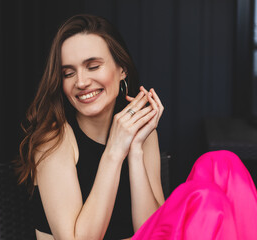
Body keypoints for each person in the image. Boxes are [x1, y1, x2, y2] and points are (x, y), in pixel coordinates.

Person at [16, 14, 257, 240]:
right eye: (68, 73)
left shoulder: (138, 128)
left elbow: (151, 228)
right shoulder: (55, 140)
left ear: (122, 70)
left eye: (93, 66)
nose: (81, 82)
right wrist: (114, 150)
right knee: (207, 201)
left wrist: (136, 149)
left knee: (222, 164)